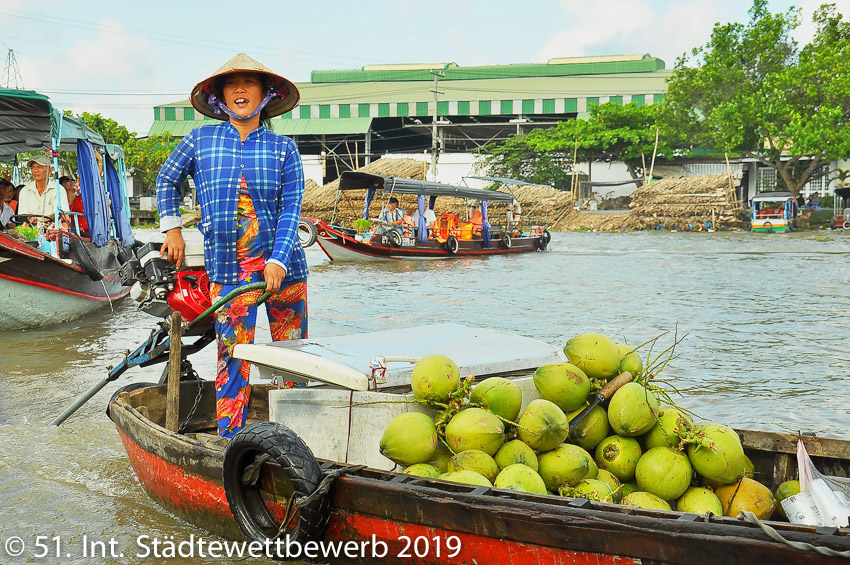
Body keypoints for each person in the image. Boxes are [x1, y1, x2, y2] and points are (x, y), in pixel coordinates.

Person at [156, 53, 306, 438]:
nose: (240, 88)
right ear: (221, 96)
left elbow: (291, 210)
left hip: (284, 272)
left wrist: (277, 260)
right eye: (231, 83)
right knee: (234, 359)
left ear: (266, 93)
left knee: (293, 360)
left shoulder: (283, 148)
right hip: (230, 272)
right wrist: (172, 230)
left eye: (249, 82)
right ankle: (230, 443)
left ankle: (297, 438)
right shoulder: (201, 139)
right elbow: (166, 180)